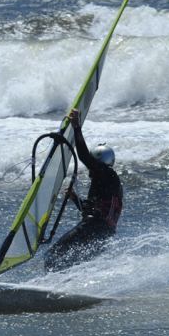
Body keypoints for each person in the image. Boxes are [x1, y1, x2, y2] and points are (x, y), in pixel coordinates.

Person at [45, 109, 123, 271]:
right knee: (75, 264)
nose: (89, 169)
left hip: (93, 227)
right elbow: (93, 210)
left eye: (91, 165)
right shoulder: (112, 182)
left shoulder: (103, 172)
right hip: (104, 235)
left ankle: (51, 290)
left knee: (53, 255)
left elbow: (84, 156)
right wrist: (74, 198)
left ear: (98, 161)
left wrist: (76, 127)